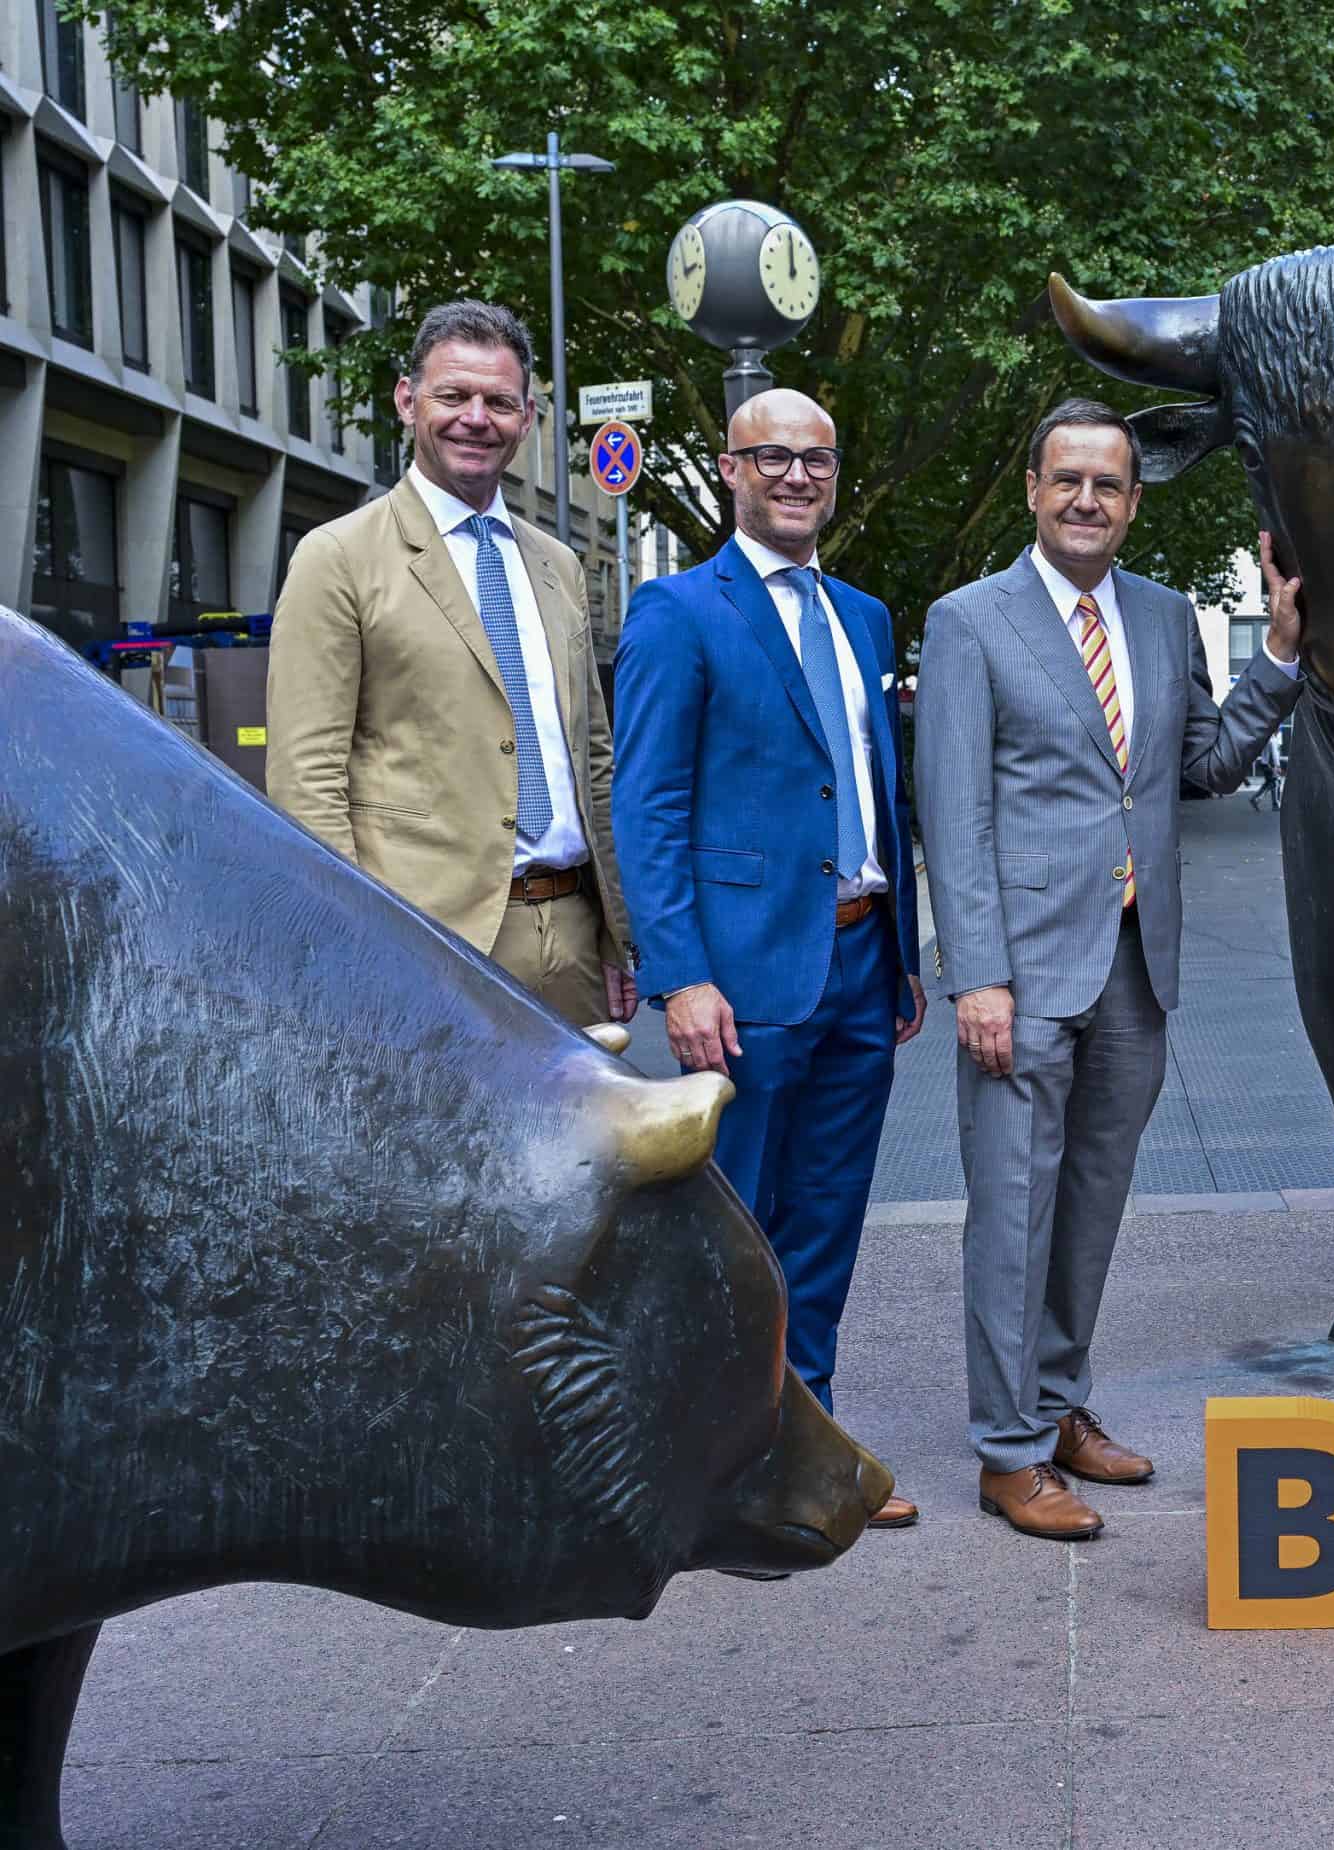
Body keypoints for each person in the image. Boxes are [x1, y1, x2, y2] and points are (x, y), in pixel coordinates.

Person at [914, 399, 1301, 1542]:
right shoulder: (969, 621)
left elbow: (1203, 768)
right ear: (1034, 488)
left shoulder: (1165, 614)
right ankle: (1006, 1449)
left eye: (1110, 484)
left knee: (1086, 1207)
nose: (1088, 499)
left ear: (1135, 502)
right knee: (1013, 1209)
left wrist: (1277, 655)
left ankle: (1056, 1398)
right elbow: (954, 807)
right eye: (1068, 479)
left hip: (1137, 966)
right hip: (1023, 973)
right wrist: (975, 973)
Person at [612, 388, 927, 1529]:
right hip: (742, 980)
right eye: (774, 456)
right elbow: (646, 807)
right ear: (731, 468)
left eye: (818, 459)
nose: (798, 476)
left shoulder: (866, 614)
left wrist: (901, 949)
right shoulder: (676, 612)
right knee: (734, 1227)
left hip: (858, 964)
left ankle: (811, 1441)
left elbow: (872, 785)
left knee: (828, 1217)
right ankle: (714, 1461)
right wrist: (681, 974)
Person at [267, 299, 634, 1028]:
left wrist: (618, 932)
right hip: (423, 938)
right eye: (453, 395)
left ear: (527, 419)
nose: (477, 418)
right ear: (408, 401)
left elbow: (593, 759)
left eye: (500, 402)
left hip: (569, 931)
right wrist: (354, 944)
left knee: (583, 1146)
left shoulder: (558, 567)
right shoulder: (338, 557)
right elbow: (306, 779)